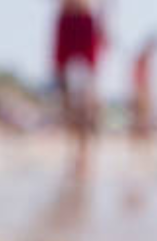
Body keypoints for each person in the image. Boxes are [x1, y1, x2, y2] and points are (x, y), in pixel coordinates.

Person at [53, 0, 105, 175]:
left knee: (83, 105)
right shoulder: (64, 12)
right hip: (67, 25)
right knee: (68, 104)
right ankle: (73, 151)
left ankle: (82, 154)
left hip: (84, 28)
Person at [130, 32, 157, 143]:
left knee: (142, 118)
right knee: (141, 118)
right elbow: (139, 75)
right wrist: (143, 90)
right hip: (141, 90)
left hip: (142, 89)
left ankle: (140, 140)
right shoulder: (144, 56)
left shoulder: (144, 56)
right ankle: (139, 141)